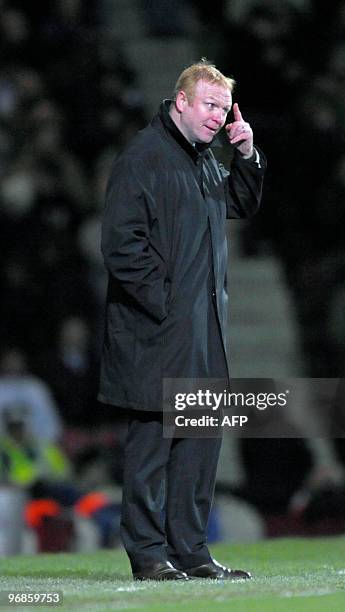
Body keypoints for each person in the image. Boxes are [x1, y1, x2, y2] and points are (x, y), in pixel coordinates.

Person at [98, 60, 266, 581]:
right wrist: (168, 303)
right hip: (157, 333)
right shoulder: (144, 157)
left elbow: (240, 201)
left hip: (201, 332)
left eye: (223, 107)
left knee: (198, 447)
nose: (218, 116)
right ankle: (149, 554)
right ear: (181, 102)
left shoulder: (206, 160)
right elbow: (121, 246)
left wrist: (246, 154)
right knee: (153, 447)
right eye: (209, 105)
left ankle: (191, 551)